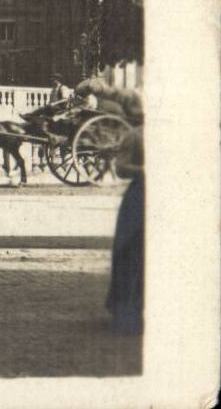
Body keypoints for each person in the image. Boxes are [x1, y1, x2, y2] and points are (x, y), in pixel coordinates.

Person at [106, 102, 144, 336]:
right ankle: (126, 311)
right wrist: (145, 170)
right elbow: (121, 167)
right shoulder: (135, 135)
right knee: (131, 250)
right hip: (140, 196)